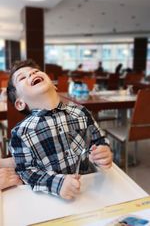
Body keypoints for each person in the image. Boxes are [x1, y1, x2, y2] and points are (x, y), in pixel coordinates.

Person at [7, 59, 112, 200]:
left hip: (90, 192)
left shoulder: (81, 112)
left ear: (54, 86)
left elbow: (99, 141)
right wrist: (57, 183)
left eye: (36, 71)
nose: (32, 73)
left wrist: (104, 153)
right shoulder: (20, 133)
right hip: (50, 199)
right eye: (22, 77)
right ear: (20, 103)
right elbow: (26, 172)